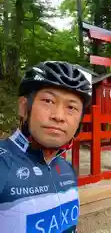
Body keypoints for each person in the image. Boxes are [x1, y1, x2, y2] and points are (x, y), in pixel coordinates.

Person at [0, 61, 92, 233]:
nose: (58, 116)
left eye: (71, 107)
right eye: (48, 101)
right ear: (23, 107)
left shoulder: (66, 168)